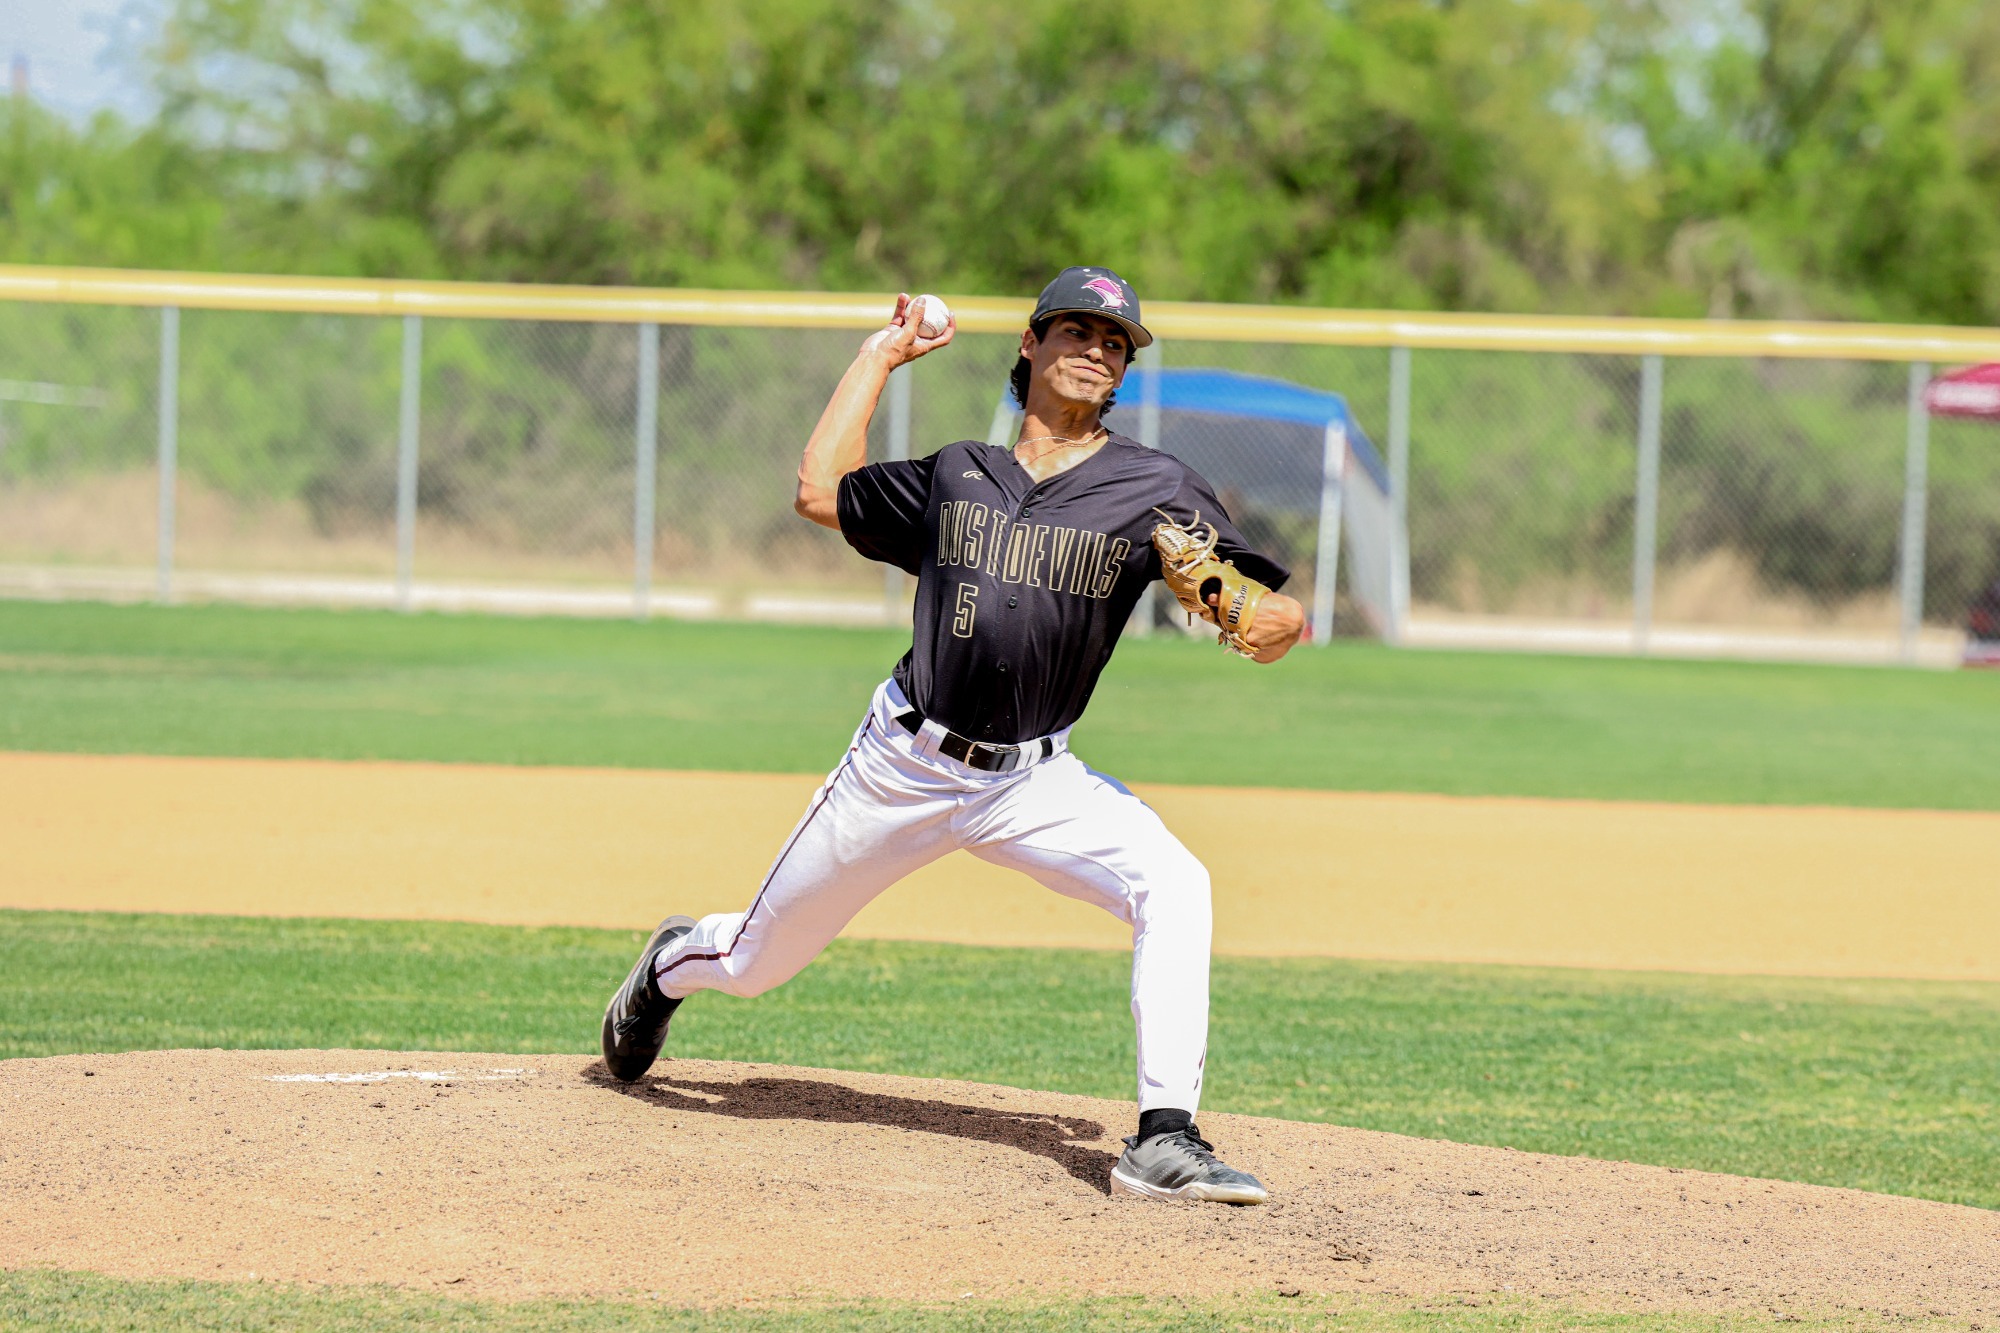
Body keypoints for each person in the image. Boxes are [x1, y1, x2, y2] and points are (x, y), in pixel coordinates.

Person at [602, 267, 1306, 1203]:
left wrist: (1265, 621)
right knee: (754, 961)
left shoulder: (1155, 489)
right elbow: (821, 490)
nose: (1099, 350)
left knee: (1176, 882)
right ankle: (665, 968)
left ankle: (1162, 1138)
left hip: (1031, 781)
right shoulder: (957, 474)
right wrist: (880, 355)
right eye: (1079, 330)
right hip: (900, 763)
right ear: (1032, 343)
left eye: (1117, 343)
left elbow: (1271, 614)